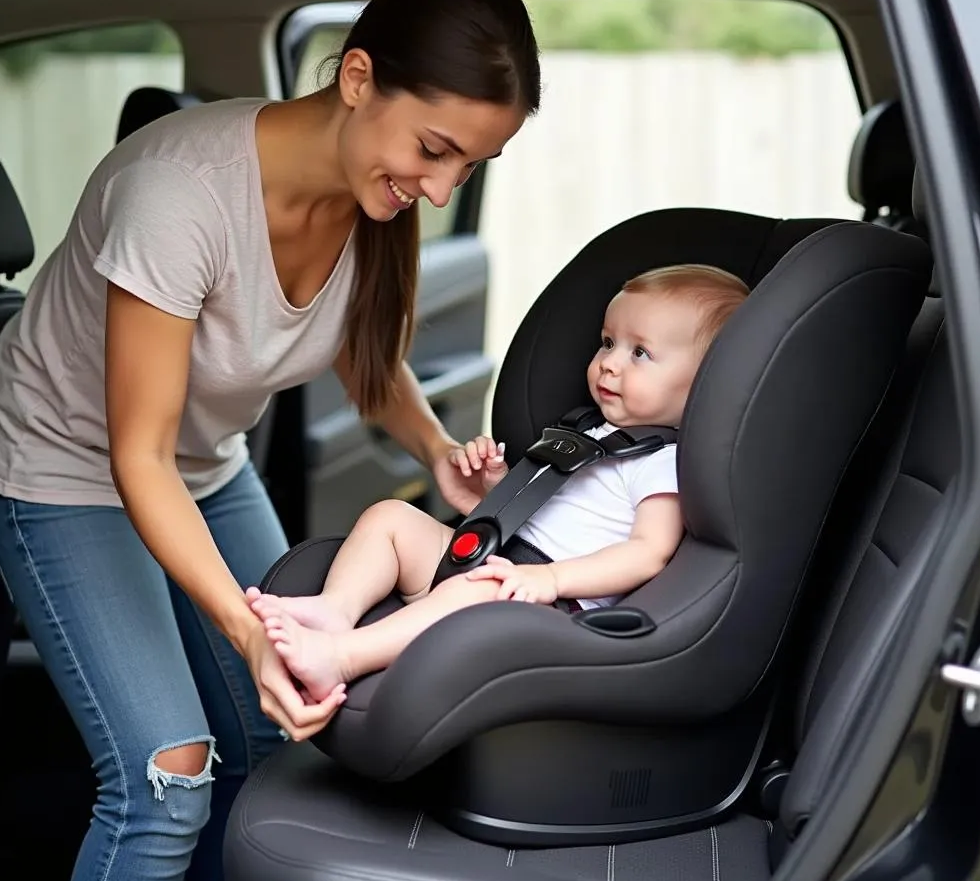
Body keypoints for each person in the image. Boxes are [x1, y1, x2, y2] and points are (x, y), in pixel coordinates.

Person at [0, 0, 540, 881]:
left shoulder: (374, 201)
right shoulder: (179, 194)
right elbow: (134, 453)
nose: (442, 188)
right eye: (435, 150)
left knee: (282, 750)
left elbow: (363, 360)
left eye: (472, 164)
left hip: (202, 462)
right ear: (360, 76)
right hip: (64, 467)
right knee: (167, 775)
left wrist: (434, 454)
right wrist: (249, 632)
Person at [247, 263, 749, 704]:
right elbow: (557, 509)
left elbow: (647, 552)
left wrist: (550, 580)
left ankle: (342, 656)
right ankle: (336, 610)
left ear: (704, 382)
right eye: (608, 342)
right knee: (391, 518)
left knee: (477, 593)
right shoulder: (589, 429)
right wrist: (500, 489)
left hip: (549, 607)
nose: (610, 362)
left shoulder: (663, 462)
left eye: (641, 354)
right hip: (496, 558)